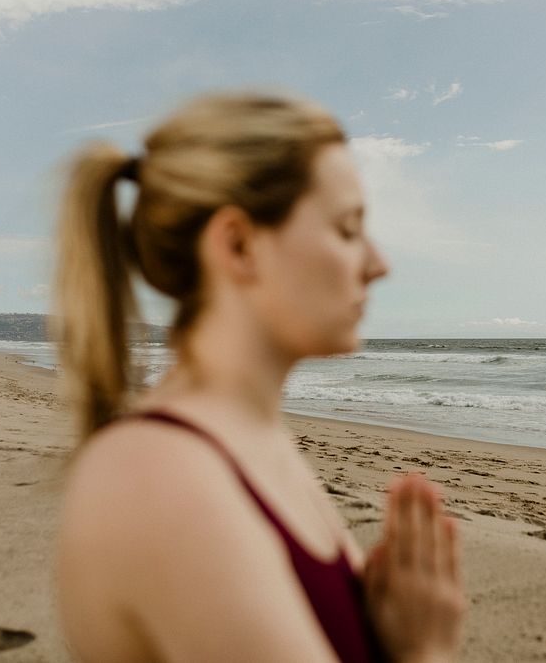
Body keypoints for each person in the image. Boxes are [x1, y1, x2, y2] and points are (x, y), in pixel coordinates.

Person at [52, 92, 465, 662]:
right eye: (347, 230)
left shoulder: (251, 438)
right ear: (239, 245)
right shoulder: (160, 474)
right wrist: (426, 652)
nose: (378, 263)